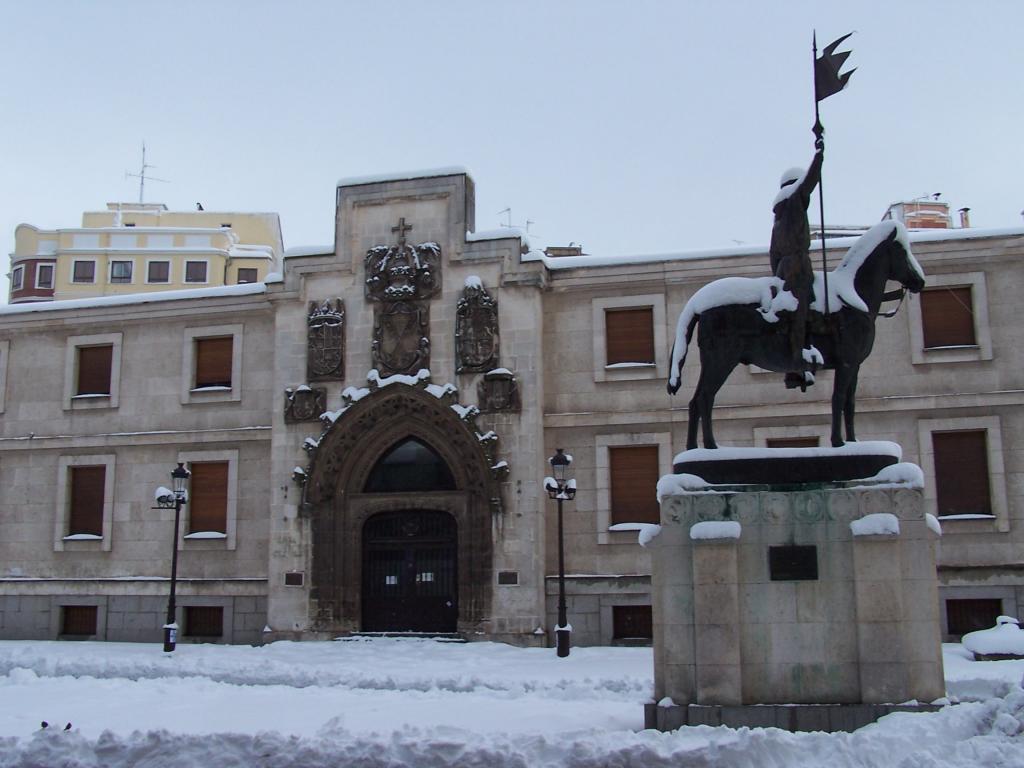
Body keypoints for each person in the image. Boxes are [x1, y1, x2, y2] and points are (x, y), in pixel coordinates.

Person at [769, 131, 824, 390]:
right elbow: (810, 181)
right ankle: (796, 365)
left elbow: (772, 254)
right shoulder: (794, 201)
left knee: (804, 309)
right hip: (797, 267)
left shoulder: (778, 217)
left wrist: (778, 275)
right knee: (802, 310)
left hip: (784, 268)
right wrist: (819, 155)